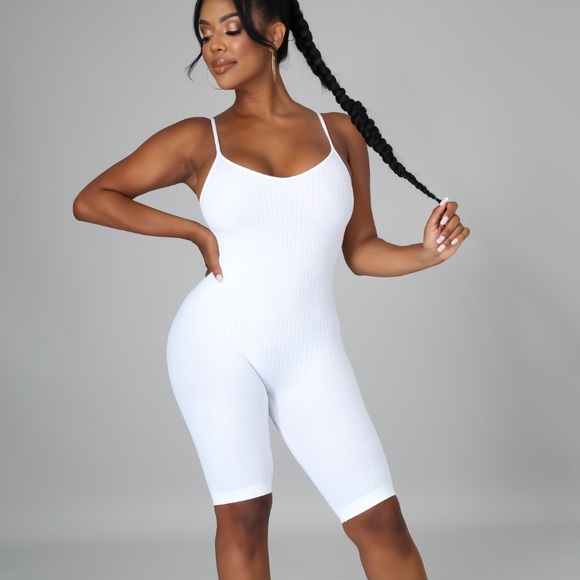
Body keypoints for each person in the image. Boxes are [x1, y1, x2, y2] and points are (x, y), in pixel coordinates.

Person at [73, 0, 469, 577]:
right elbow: (92, 200)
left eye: (231, 29)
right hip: (217, 344)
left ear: (276, 34)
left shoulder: (340, 133)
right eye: (204, 34)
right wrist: (193, 231)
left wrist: (425, 254)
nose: (214, 46)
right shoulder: (198, 138)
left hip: (311, 353)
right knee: (245, 517)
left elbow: (360, 250)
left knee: (381, 524)